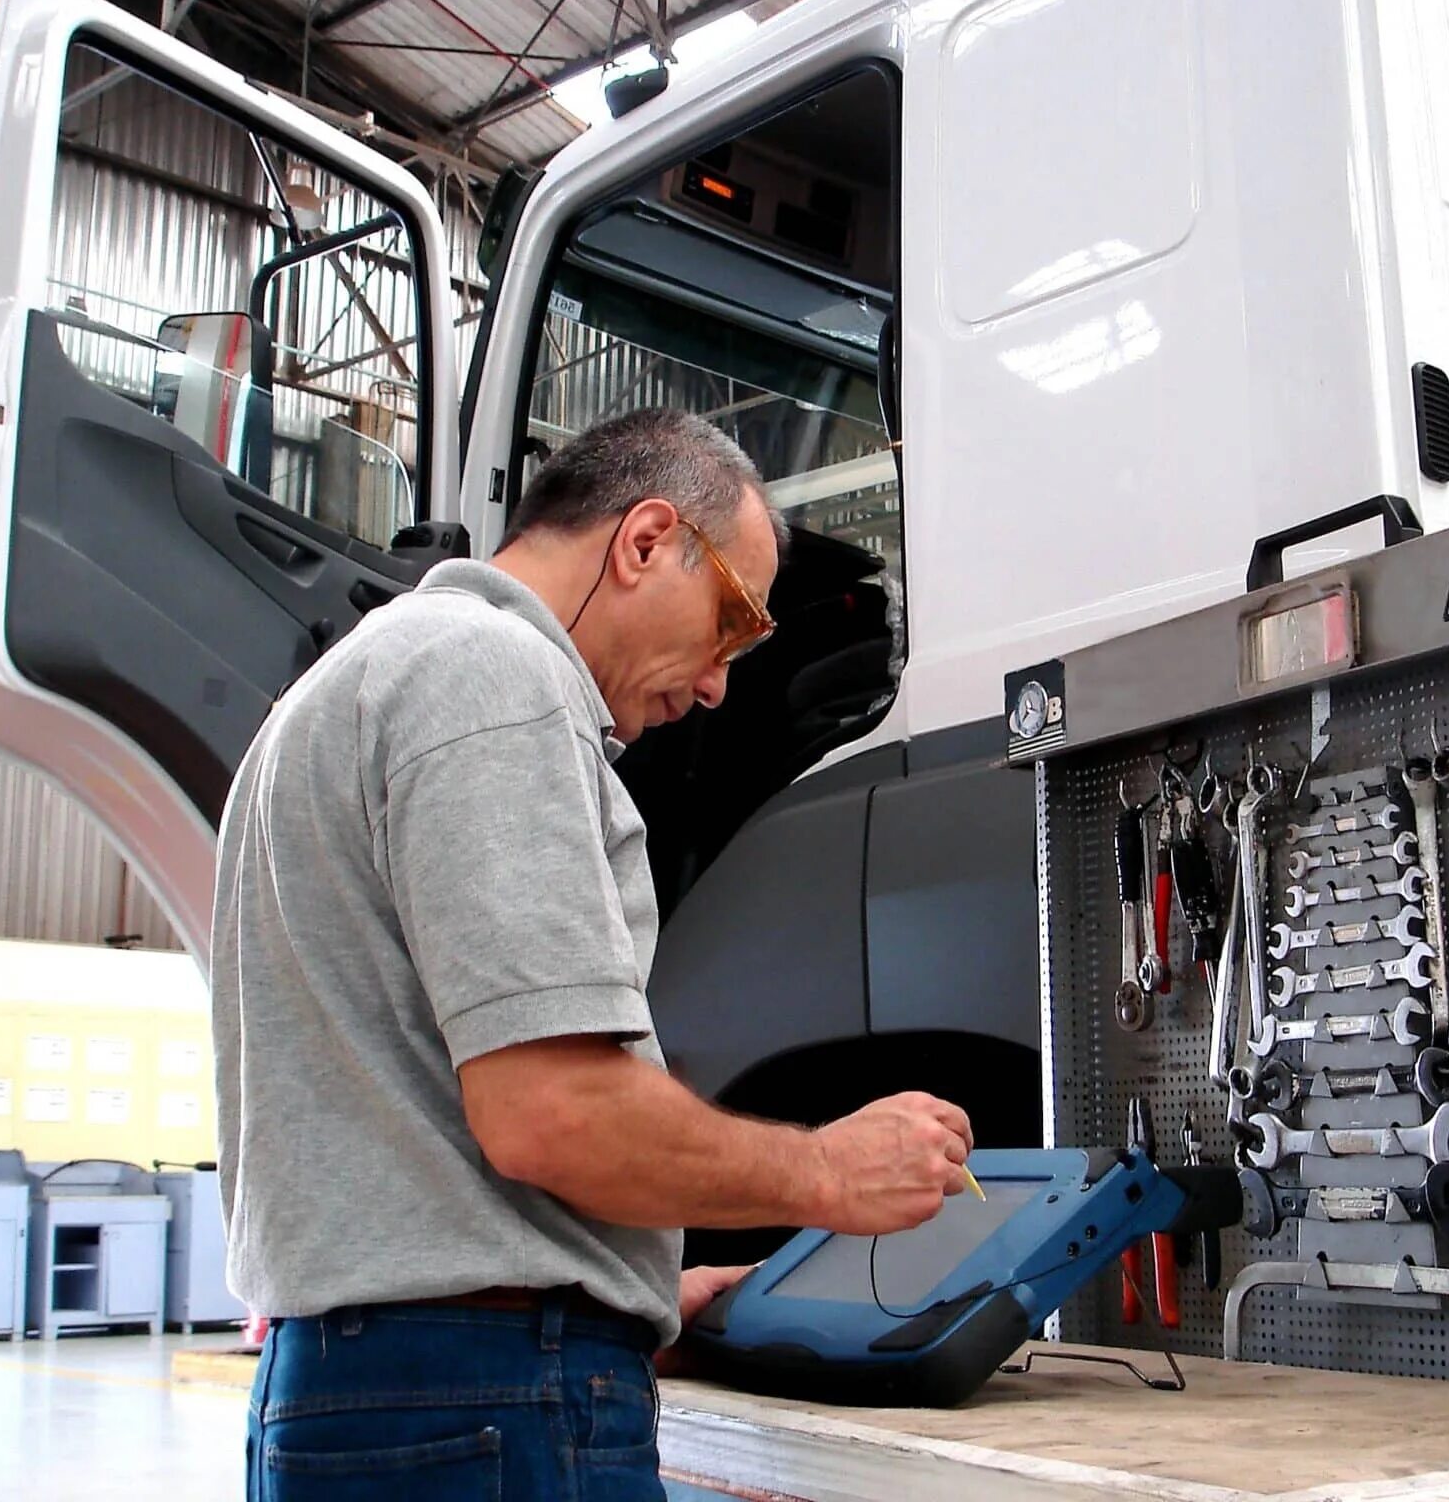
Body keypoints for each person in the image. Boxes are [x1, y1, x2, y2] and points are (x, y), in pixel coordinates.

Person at [211, 409, 974, 1500]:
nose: (719, 684)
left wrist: (624, 1288)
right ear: (646, 540)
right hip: (479, 1406)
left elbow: (412, 1124)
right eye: (732, 619)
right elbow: (550, 1110)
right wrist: (826, 1171)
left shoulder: (339, 691)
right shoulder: (490, 676)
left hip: (369, 1393)